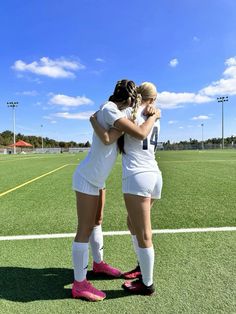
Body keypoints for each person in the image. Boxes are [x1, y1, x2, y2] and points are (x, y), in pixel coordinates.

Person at [72, 79, 160, 301]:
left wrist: (94, 120)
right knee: (84, 229)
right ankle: (79, 284)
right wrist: (153, 114)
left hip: (98, 180)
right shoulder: (111, 109)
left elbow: (110, 136)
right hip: (87, 178)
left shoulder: (118, 112)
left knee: (97, 221)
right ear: (129, 97)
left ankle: (98, 264)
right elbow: (108, 137)